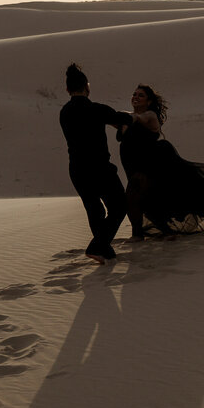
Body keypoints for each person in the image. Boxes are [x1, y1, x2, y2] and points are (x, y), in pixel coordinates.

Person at [118, 84, 204, 237]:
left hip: (151, 164)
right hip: (131, 164)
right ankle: (164, 232)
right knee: (147, 200)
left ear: (149, 102)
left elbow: (137, 117)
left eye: (140, 95)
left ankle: (138, 236)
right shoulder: (125, 119)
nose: (135, 97)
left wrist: (124, 115)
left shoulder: (149, 115)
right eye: (134, 94)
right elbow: (114, 120)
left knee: (134, 197)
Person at [59, 63, 133, 264]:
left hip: (77, 169)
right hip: (99, 168)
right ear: (87, 87)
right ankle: (97, 246)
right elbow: (122, 118)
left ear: (68, 89)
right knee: (119, 206)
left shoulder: (64, 112)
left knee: (95, 210)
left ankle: (105, 251)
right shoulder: (97, 109)